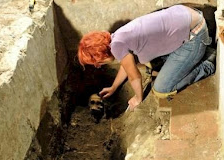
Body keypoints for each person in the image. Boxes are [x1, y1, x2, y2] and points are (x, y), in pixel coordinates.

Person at [77, 4, 216, 111]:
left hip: (195, 35)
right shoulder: (117, 37)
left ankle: (207, 63)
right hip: (188, 15)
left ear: (101, 54)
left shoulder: (117, 46)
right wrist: (114, 87)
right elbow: (126, 65)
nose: (98, 65)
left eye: (96, 61)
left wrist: (138, 98)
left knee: (162, 89)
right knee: (154, 66)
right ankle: (200, 52)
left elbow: (135, 77)